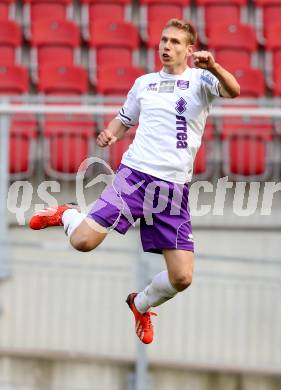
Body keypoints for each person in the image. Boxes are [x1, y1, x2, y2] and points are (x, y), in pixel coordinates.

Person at [29, 18, 240, 344]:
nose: (167, 47)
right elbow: (125, 117)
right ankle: (67, 214)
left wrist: (214, 66)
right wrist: (110, 133)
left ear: (188, 49)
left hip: (173, 190)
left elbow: (233, 90)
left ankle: (139, 304)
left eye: (174, 42)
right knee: (82, 242)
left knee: (182, 277)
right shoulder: (144, 84)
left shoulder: (201, 80)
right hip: (135, 177)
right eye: (164, 40)